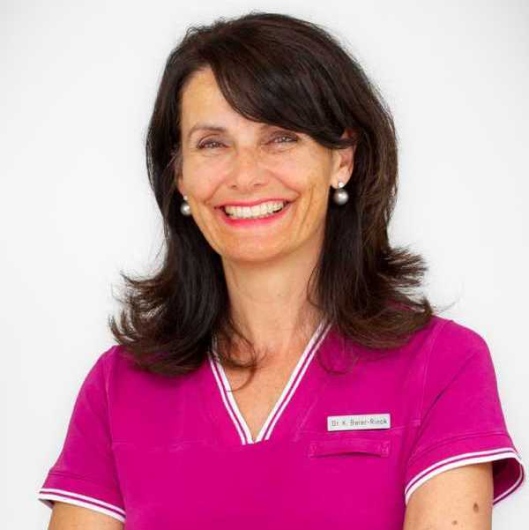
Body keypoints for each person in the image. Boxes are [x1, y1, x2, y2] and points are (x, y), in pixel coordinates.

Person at [37, 11, 525, 530]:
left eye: (280, 138)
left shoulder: (443, 365)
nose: (245, 176)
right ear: (178, 174)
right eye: (212, 144)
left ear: (342, 159)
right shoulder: (118, 386)